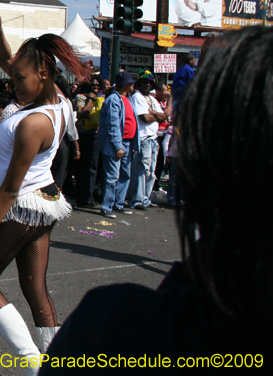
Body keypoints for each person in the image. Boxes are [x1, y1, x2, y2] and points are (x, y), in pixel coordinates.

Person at [42, 26, 273, 372]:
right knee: (118, 178)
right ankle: (111, 204)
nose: (147, 87)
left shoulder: (114, 329)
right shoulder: (118, 101)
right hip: (119, 149)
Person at [0, 3, 88, 375]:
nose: (12, 84)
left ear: (43, 73)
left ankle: (33, 364)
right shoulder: (58, 102)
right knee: (35, 288)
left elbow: (9, 189)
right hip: (45, 199)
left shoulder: (35, 121)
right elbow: (9, 61)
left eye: (19, 79)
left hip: (22, 205)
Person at [97, 71, 138, 219]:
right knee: (112, 176)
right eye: (131, 83)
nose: (133, 85)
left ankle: (118, 204)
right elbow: (112, 124)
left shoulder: (128, 99)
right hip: (117, 144)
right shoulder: (113, 100)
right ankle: (106, 207)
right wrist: (117, 146)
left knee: (125, 175)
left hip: (128, 142)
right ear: (125, 85)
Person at [126, 77, 167, 210]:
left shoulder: (152, 99)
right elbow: (145, 117)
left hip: (154, 138)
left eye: (149, 83)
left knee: (151, 172)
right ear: (139, 84)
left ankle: (145, 198)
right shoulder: (137, 97)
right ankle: (136, 199)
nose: (147, 85)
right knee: (141, 170)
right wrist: (157, 116)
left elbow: (164, 116)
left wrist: (153, 113)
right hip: (143, 138)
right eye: (144, 82)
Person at [73, 80, 102, 207]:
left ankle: (90, 195)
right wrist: (90, 99)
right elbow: (84, 113)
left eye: (98, 85)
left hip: (95, 135)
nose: (95, 87)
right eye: (93, 85)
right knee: (83, 167)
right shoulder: (80, 97)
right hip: (83, 134)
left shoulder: (100, 98)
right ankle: (82, 196)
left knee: (93, 166)